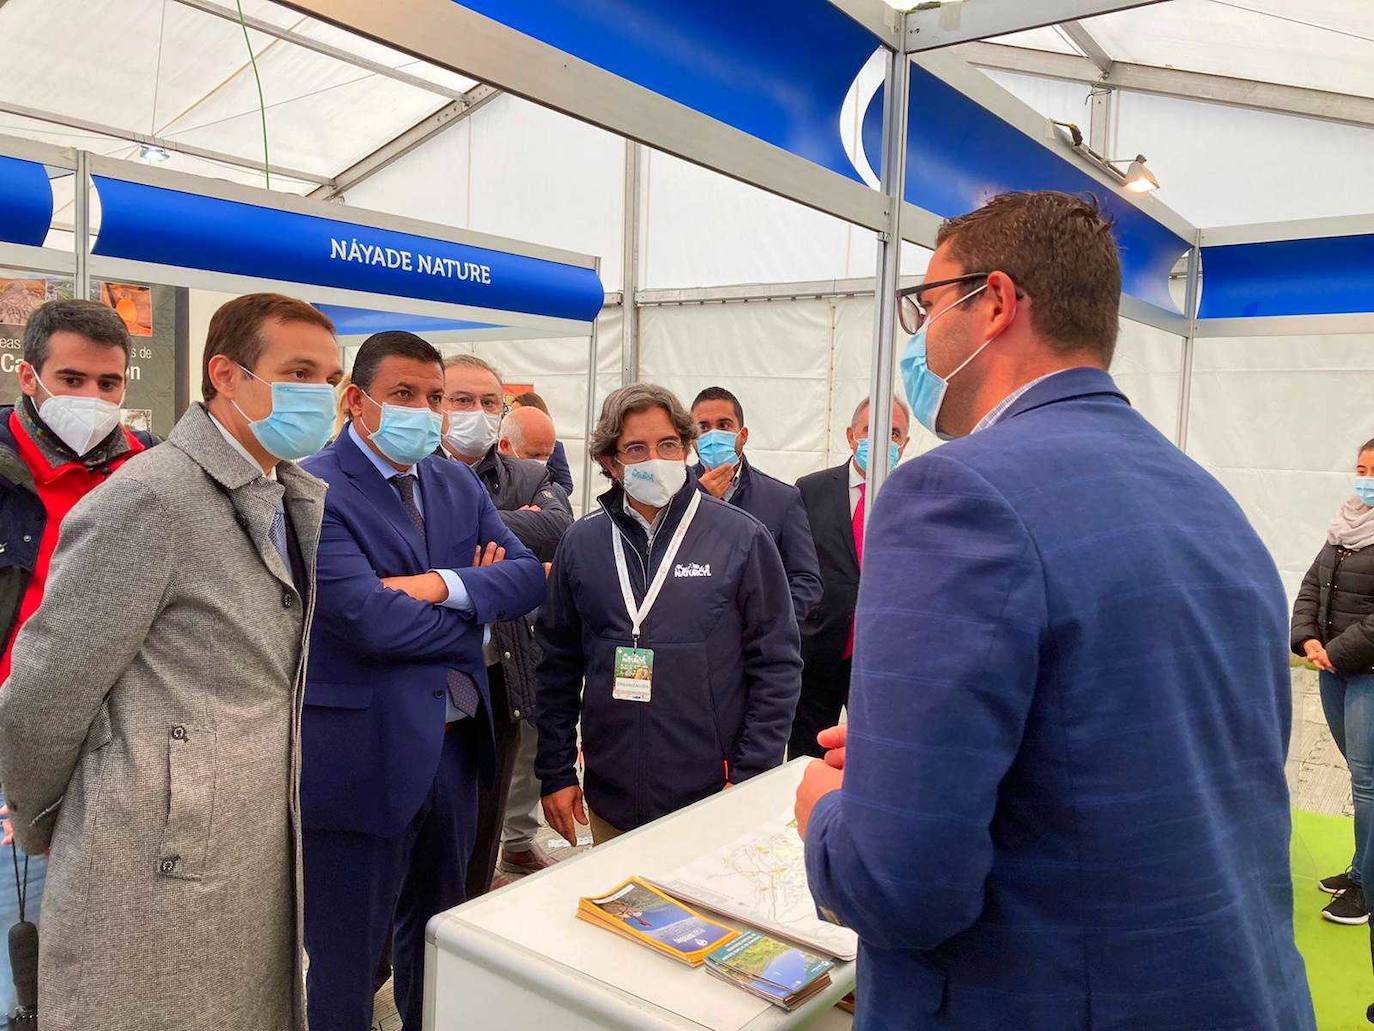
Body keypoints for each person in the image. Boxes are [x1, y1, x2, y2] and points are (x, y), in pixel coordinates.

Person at [795, 191, 1313, 1030]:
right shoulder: (1209, 500)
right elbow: (1154, 752)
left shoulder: (951, 491)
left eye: (924, 308)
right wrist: (919, 752)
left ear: (994, 303)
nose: (918, 340)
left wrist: (824, 809)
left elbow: (901, 887)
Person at [0, 293, 344, 1031]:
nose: (322, 395)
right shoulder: (153, 498)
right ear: (226, 373)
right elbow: (45, 690)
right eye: (300, 372)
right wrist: (58, 818)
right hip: (155, 854)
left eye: (331, 377)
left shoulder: (279, 491)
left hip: (238, 839)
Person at [299, 333, 544, 1031]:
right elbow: (369, 620)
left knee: (437, 934)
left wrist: (437, 583)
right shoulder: (315, 487)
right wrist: (477, 609)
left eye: (434, 397)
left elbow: (526, 578)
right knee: (349, 952)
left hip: (457, 747)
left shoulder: (453, 480)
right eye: (405, 395)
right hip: (362, 753)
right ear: (357, 401)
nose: (426, 411)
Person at [536, 383, 802, 846]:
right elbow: (556, 665)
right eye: (636, 449)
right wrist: (555, 771)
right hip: (612, 793)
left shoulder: (740, 538)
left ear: (685, 448)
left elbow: (776, 665)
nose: (655, 459)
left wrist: (750, 774)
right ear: (610, 463)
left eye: (668, 445)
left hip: (712, 796)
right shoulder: (583, 543)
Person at [0, 299, 157, 1024]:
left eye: (109, 383)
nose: (93, 399)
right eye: (72, 378)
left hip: (115, 745)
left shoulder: (148, 475)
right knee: (14, 949)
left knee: (101, 946)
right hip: (11, 738)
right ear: (29, 376)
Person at [440, 355, 573, 893]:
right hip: (434, 672)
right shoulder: (409, 475)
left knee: (485, 819)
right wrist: (505, 538)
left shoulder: (529, 473)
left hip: (502, 672)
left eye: (489, 403)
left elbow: (559, 529)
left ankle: (468, 904)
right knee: (427, 820)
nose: (477, 413)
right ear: (437, 406)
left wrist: (447, 546)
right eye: (461, 401)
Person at [790, 397, 910, 758]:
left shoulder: (917, 497)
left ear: (904, 445)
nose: (882, 441)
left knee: (876, 757)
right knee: (807, 756)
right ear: (850, 435)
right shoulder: (810, 489)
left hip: (882, 655)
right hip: (820, 648)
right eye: (872, 430)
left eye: (894, 433)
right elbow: (795, 564)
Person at [1292, 439, 1374, 928]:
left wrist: (1334, 650)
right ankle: (1360, 868)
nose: (1365, 479)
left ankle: (1366, 890)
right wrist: (1306, 638)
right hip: (1335, 672)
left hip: (1365, 674)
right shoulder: (1344, 526)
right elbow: (1310, 585)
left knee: (1368, 784)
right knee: (1360, 778)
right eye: (1361, 468)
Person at [690, 386, 822, 625]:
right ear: (692, 439)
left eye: (724, 425)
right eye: (704, 428)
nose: (713, 435)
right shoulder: (675, 495)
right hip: (693, 642)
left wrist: (772, 626)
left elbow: (806, 580)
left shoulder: (782, 498)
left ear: (743, 434)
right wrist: (698, 497)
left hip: (755, 648)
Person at [512, 390, 573, 494]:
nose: (512, 417)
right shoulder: (506, 446)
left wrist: (544, 495)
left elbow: (566, 485)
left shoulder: (555, 446)